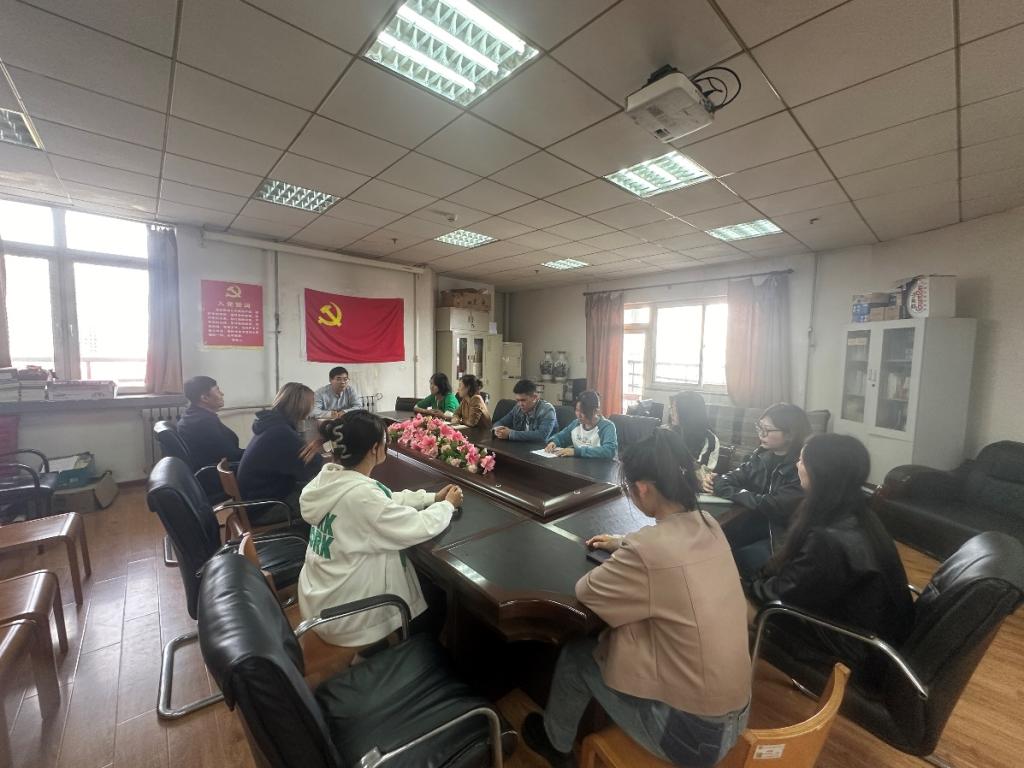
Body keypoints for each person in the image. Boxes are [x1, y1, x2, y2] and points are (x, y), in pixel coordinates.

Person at [522, 429, 750, 767]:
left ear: (643, 488)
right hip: (735, 715)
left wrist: (632, 550)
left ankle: (556, 745)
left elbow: (587, 590)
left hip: (690, 736)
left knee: (577, 656)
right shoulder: (708, 524)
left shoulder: (649, 550)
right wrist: (626, 542)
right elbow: (666, 553)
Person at [745, 433, 914, 672]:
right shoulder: (860, 513)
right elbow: (799, 579)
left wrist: (747, 586)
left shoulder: (829, 539)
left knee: (730, 600)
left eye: (802, 460)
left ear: (819, 472)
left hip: (852, 649)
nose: (796, 465)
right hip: (871, 634)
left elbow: (782, 594)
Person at [298, 410, 463, 647]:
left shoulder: (330, 479)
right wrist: (447, 506)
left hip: (320, 597)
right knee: (436, 600)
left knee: (421, 582)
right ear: (375, 448)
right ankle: (385, 656)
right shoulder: (361, 496)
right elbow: (418, 526)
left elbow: (384, 500)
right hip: (345, 617)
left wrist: (430, 498)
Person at [702, 403, 812, 578]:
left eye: (767, 430)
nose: (761, 434)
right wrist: (717, 481)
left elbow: (772, 504)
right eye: (759, 427)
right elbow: (731, 478)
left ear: (790, 434)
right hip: (752, 521)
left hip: (779, 535)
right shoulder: (761, 455)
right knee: (709, 541)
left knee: (735, 557)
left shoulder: (801, 467)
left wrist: (729, 490)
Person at [237, 382, 322, 522]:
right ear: (301, 406)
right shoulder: (281, 433)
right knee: (327, 498)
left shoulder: (271, 424)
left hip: (253, 501)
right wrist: (320, 442)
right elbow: (314, 465)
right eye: (311, 404)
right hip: (264, 508)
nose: (312, 409)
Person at [177, 375, 244, 470]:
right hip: (218, 473)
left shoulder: (193, 416)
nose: (222, 394)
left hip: (214, 468)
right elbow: (230, 455)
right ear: (205, 398)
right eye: (217, 390)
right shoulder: (203, 422)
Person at [544, 390, 618, 459]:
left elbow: (609, 451)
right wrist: (554, 442)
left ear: (595, 411)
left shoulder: (607, 427)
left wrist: (577, 452)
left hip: (601, 466)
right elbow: (561, 437)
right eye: (577, 410)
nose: (579, 415)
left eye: (583, 412)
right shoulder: (576, 423)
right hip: (579, 465)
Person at [664, 391, 720, 478]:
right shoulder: (666, 431)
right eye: (671, 408)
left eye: (675, 409)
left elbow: (701, 473)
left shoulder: (710, 440)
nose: (671, 413)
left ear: (688, 413)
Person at [492, 378, 557, 443]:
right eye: (517, 400)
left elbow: (542, 436)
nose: (520, 404)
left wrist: (511, 434)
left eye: (523, 400)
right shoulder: (517, 408)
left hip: (543, 447)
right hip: (521, 445)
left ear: (535, 397)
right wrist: (497, 430)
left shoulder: (547, 410)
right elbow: (501, 422)